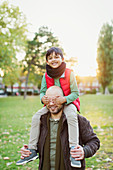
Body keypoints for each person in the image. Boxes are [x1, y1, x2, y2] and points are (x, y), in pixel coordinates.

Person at [17, 47, 81, 167]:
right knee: (36, 117)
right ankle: (32, 150)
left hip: (67, 102)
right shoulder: (46, 75)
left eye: (56, 57)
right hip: (51, 103)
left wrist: (65, 99)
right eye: (50, 58)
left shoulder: (69, 73)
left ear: (62, 59)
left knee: (72, 116)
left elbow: (75, 93)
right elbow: (42, 91)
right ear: (47, 61)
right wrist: (43, 98)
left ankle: (73, 149)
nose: (53, 60)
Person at [16, 86, 100, 170]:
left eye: (56, 100)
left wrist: (84, 151)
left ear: (63, 99)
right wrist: (28, 151)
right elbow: (39, 146)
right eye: (48, 100)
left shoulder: (78, 121)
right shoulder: (41, 121)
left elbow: (94, 141)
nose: (52, 103)